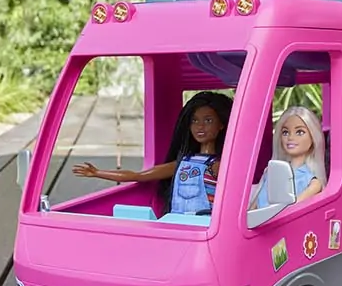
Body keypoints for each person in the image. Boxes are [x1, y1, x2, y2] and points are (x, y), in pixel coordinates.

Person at [72, 91, 234, 214]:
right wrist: (97, 172)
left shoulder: (218, 165)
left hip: (204, 225)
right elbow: (138, 176)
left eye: (208, 120)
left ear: (221, 125)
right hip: (177, 222)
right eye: (194, 121)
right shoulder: (183, 163)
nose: (200, 126)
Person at [249, 105, 326, 210]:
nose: (290, 137)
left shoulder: (313, 183)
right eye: (285, 132)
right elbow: (251, 210)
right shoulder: (271, 172)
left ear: (313, 137)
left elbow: (288, 212)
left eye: (299, 132)